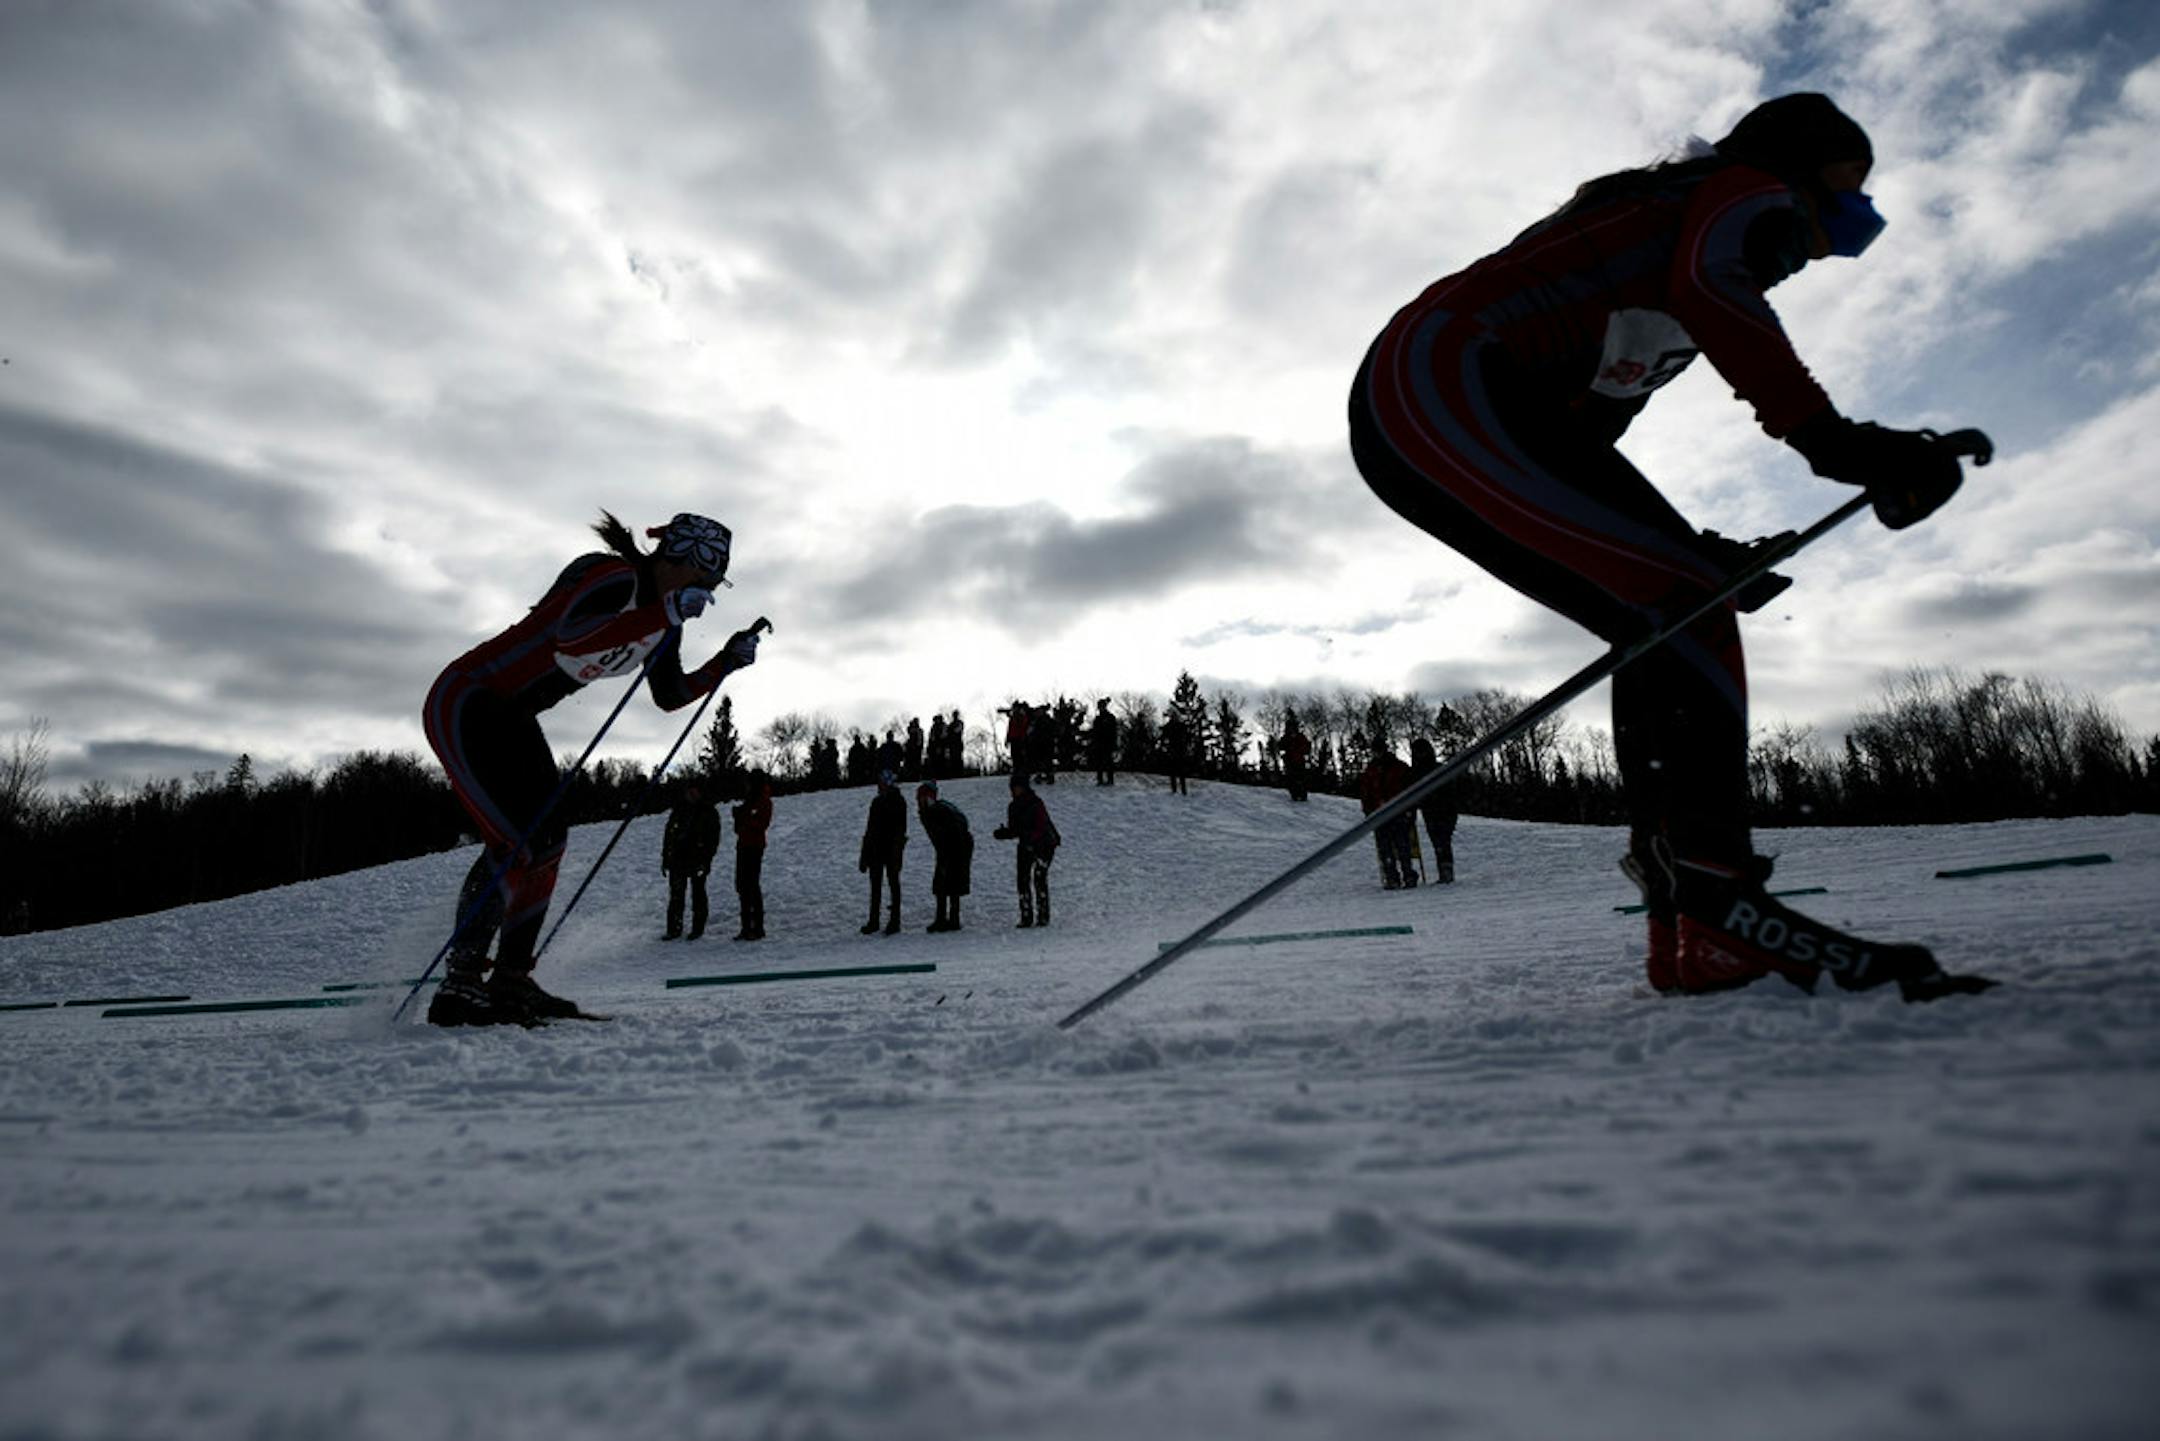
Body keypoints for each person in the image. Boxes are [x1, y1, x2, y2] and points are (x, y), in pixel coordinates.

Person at [1348, 93, 1990, 1000]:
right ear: (1800, 165)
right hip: (1445, 376)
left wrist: (1693, 549)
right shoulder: (1737, 192)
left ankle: (1690, 926)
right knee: (1678, 596)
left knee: (1672, 601)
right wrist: (1840, 443)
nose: (1854, 220)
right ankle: (1720, 896)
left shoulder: (1657, 288)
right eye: (1851, 185)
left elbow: (1577, 447)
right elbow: (1714, 288)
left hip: (1439, 398)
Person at [422, 511, 761, 1025]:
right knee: (516, 842)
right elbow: (573, 639)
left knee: (548, 840)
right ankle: (460, 984)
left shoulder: (662, 621)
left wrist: (724, 662)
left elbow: (670, 695)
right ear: (682, 561)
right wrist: (667, 610)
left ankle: (511, 980)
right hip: (470, 700)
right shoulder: (613, 576)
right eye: (706, 580)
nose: (708, 594)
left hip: (512, 717)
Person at [992, 774, 1060, 927]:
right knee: (1022, 879)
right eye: (1013, 788)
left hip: (1045, 844)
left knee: (1039, 878)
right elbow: (1015, 830)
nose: (1015, 791)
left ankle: (1043, 916)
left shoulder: (1036, 803)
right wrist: (1005, 834)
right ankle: (1026, 916)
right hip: (1026, 844)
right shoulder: (1013, 806)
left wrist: (1029, 837)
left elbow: (1041, 826)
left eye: (1017, 787)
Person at [660, 779, 721, 939]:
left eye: (694, 792)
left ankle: (697, 928)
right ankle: (674, 928)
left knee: (698, 895)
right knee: (676, 896)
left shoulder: (708, 811)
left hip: (698, 858)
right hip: (678, 859)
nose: (691, 795)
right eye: (689, 792)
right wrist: (666, 857)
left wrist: (706, 859)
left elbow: (713, 839)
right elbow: (669, 835)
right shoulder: (679, 810)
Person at [915, 780, 974, 932]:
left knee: (946, 882)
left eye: (923, 797)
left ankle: (948, 920)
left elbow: (948, 834)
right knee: (946, 882)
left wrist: (947, 855)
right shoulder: (932, 811)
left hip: (955, 848)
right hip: (952, 848)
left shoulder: (937, 811)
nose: (920, 800)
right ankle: (948, 919)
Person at [1359, 745, 1418, 889]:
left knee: (1402, 846)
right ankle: (1392, 877)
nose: (1377, 753)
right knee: (1386, 848)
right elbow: (1366, 793)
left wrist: (1410, 809)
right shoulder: (1371, 770)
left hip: (1398, 812)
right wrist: (1368, 811)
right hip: (1380, 814)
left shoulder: (1398, 767)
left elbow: (1409, 789)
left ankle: (1407, 875)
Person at [859, 770, 907, 936]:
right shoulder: (876, 802)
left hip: (891, 850)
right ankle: (874, 921)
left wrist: (897, 851)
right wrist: (864, 856)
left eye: (881, 782)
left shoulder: (899, 801)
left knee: (894, 885)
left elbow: (901, 829)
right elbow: (870, 829)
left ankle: (895, 921)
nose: (878, 786)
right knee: (875, 887)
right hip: (875, 851)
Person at [1407, 737, 1458, 883]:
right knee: (1438, 841)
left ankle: (1446, 871)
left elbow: (1450, 791)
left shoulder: (1436, 768)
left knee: (1443, 840)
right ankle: (1444, 870)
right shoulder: (1417, 771)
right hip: (1430, 810)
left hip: (1444, 809)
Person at [731, 770, 772, 940]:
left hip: (754, 847)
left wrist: (743, 817)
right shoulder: (750, 800)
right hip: (744, 845)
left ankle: (757, 927)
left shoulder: (763, 801)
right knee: (742, 885)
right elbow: (738, 828)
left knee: (751, 886)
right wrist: (739, 817)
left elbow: (761, 824)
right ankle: (746, 926)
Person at [1282, 712, 1312, 802]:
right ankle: (1295, 794)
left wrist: (1305, 753)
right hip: (1290, 761)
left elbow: (1307, 747)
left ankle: (1302, 794)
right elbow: (1281, 746)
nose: (1292, 731)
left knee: (1301, 778)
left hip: (1299, 761)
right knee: (1291, 778)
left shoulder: (1300, 737)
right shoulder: (1286, 737)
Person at [1089, 699, 1120, 786]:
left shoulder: (1111, 717)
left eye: (1101, 706)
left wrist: (1114, 743)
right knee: (1099, 762)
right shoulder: (1098, 719)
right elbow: (1094, 732)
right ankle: (1100, 780)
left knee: (1108, 762)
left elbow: (1114, 731)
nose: (1100, 708)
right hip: (1099, 743)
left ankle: (1110, 780)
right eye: (1099, 707)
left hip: (1108, 743)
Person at [1161, 712, 1191, 796]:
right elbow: (1164, 735)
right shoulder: (1171, 726)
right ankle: (1175, 790)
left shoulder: (1179, 726)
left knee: (1180, 772)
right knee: (1174, 772)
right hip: (1174, 751)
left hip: (1179, 751)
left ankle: (1183, 790)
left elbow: (1186, 736)